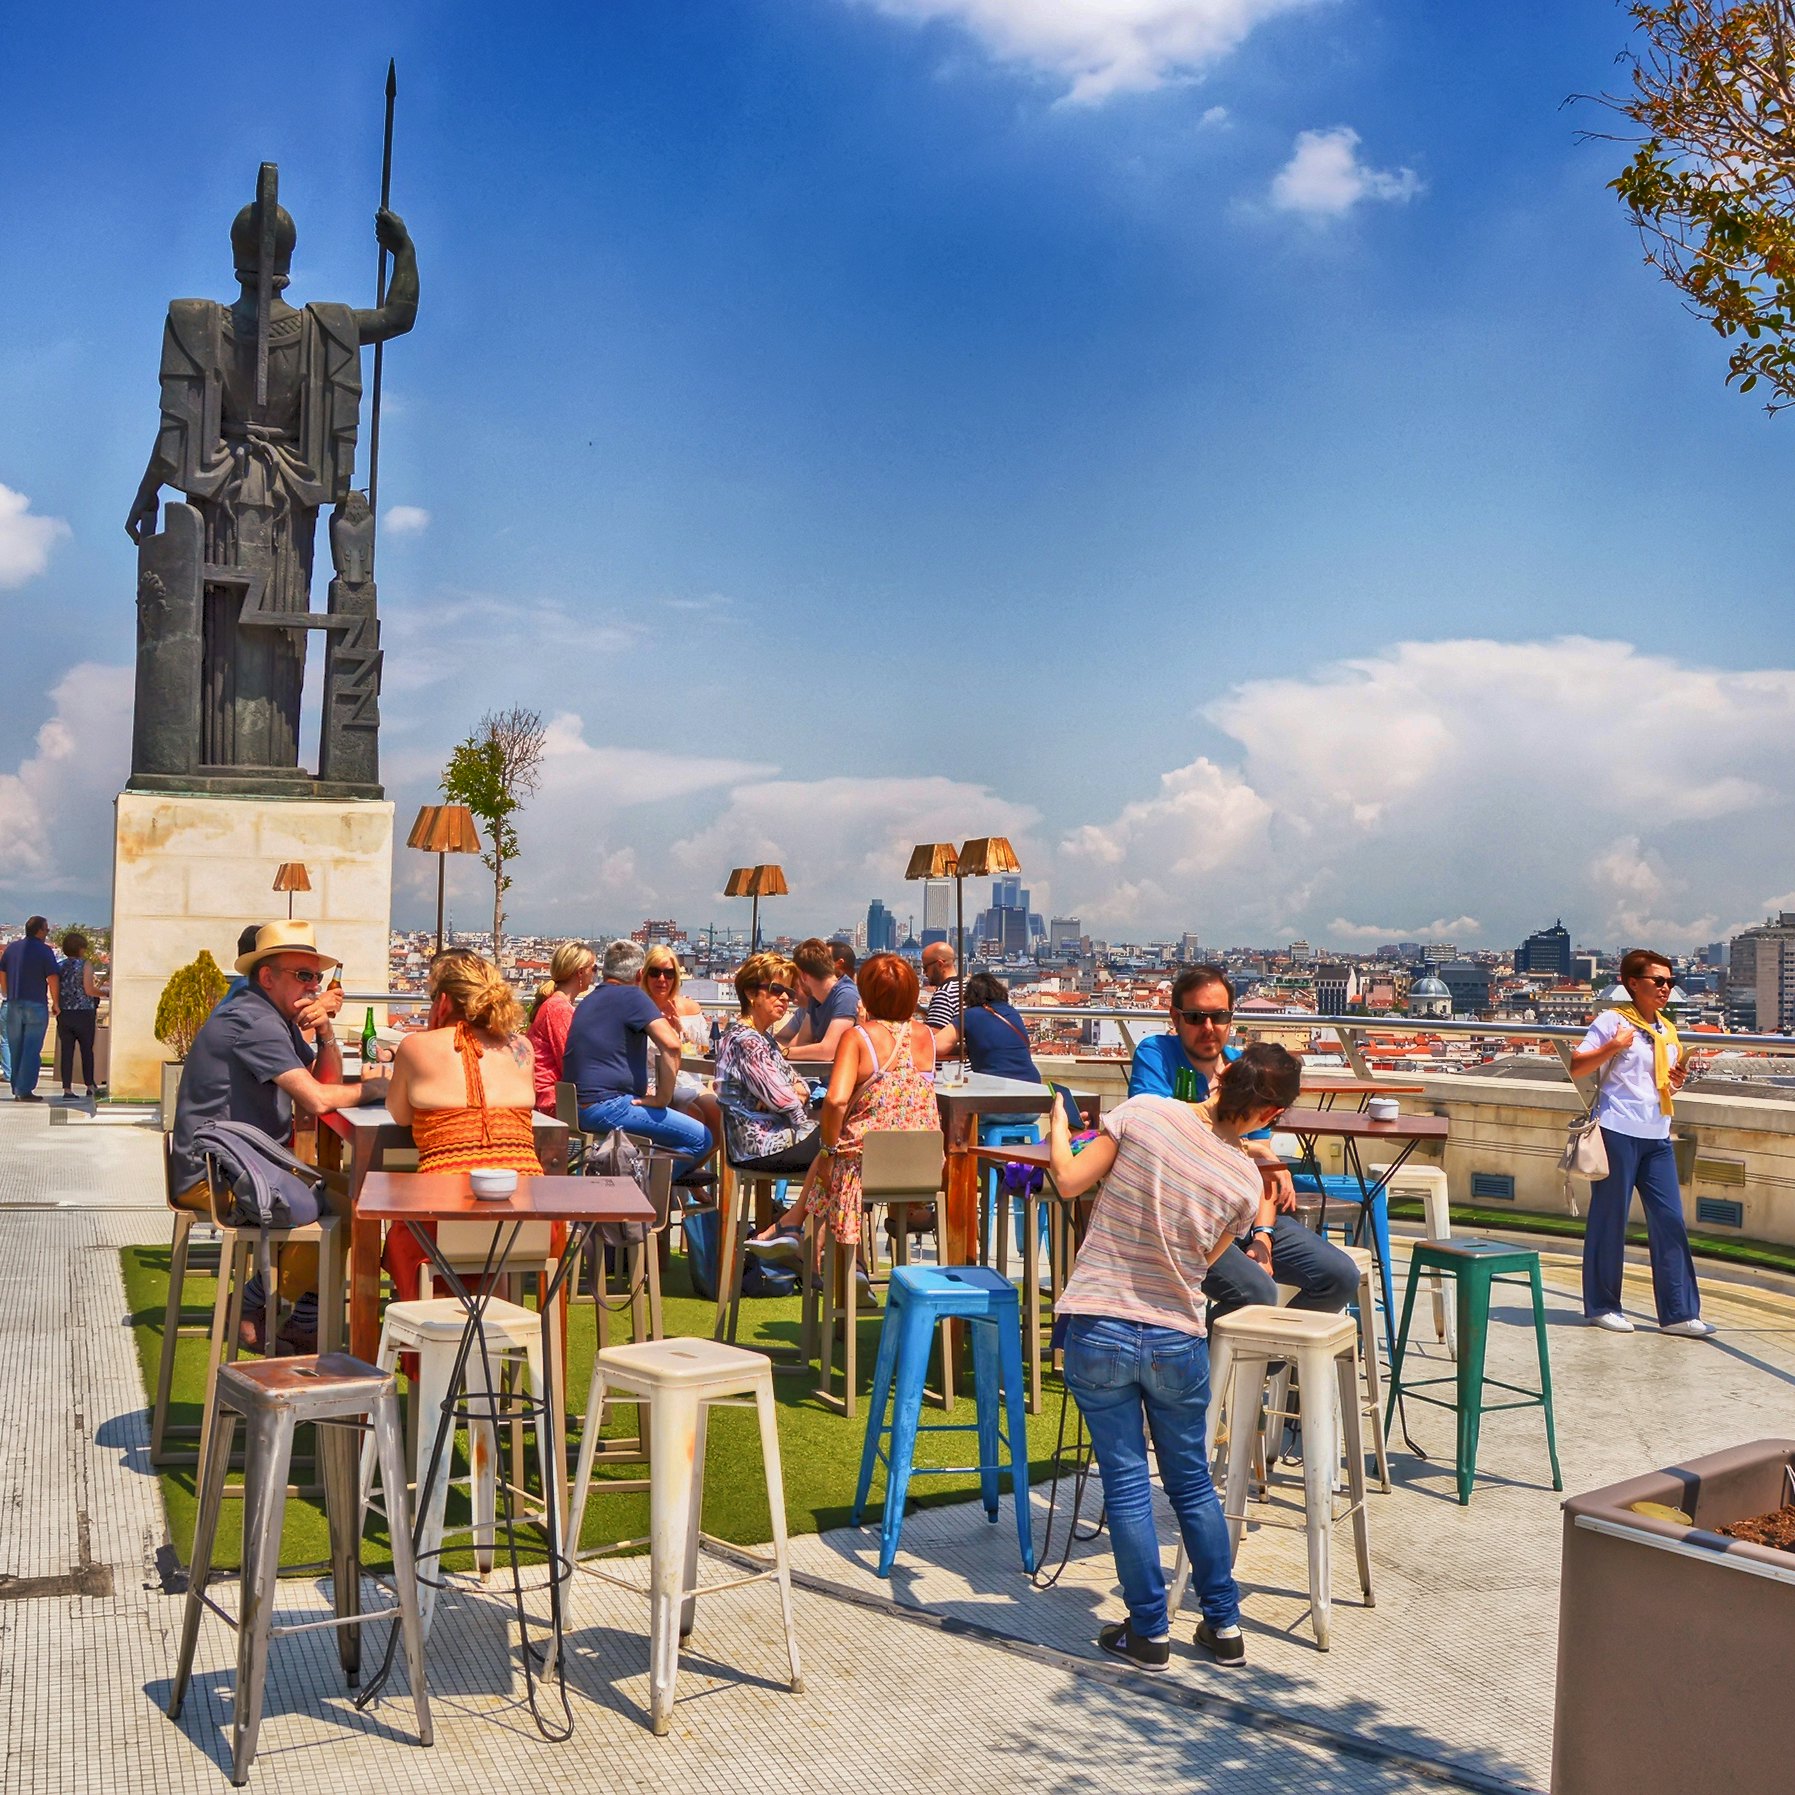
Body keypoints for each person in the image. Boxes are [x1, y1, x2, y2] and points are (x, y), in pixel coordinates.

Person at [1049, 1041, 1304, 1672]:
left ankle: (1149, 1630)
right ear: (1269, 1112)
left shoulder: (1145, 1112)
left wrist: (1057, 1126)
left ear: (1222, 1079)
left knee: (1128, 1482)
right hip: (1176, 1336)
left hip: (1102, 1321)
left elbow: (1069, 1181)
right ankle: (1223, 1624)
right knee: (1191, 1482)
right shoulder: (1248, 1183)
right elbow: (1211, 1258)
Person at [168, 921, 364, 1353]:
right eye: (303, 976)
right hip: (216, 1178)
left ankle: (292, 1314)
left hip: (250, 1166)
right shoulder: (255, 1020)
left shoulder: (272, 1014)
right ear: (268, 976)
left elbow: (321, 1076)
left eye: (316, 977)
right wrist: (379, 1088)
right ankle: (262, 1306)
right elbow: (315, 1098)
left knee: (356, 1200)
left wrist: (326, 1029)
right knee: (351, 1205)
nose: (313, 987)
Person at [1129, 966, 1355, 1321]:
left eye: (1218, 1016)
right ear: (1175, 1016)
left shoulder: (1244, 1066)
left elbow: (1262, 1172)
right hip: (1186, 1217)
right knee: (1256, 1291)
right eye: (1195, 1016)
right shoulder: (1155, 1054)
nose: (1208, 1027)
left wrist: (1263, 1238)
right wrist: (1255, 1149)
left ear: (1231, 1017)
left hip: (1246, 1216)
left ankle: (1262, 1369)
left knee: (1340, 1277)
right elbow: (1160, 1132)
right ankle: (1214, 1371)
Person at [1570, 948, 1714, 1337]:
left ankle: (1679, 1312)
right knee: (1609, 1219)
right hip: (1618, 1131)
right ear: (1633, 984)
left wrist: (1676, 1080)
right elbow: (1578, 1065)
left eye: (1670, 981)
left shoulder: (1667, 1030)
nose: (1666, 988)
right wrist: (1613, 1046)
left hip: (1657, 1135)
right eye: (1658, 981)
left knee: (1670, 1221)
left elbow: (1660, 1082)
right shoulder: (1613, 1021)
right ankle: (1602, 1305)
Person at [383, 949, 540, 1303]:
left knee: (404, 1237)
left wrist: (428, 1033)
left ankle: (424, 1345)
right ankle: (493, 1339)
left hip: (446, 1215)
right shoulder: (522, 1047)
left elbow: (400, 1115)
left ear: (441, 1001)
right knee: (493, 1250)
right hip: (525, 1217)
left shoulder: (415, 1047)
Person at [769, 953, 937, 1272]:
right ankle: (819, 1251)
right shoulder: (927, 1036)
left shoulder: (858, 1038)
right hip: (920, 1169)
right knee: (830, 1157)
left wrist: (829, 1153)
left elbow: (835, 1102)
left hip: (865, 1167)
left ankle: (824, 1256)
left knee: (828, 1158)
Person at [563, 938, 709, 1175]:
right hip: (609, 1106)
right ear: (640, 975)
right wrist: (662, 1098)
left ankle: (641, 1184)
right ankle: (638, 1188)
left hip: (579, 1107)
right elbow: (672, 1046)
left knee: (669, 1141)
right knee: (701, 1138)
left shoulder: (589, 1001)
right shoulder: (632, 996)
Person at [717, 953, 822, 1177]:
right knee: (846, 1145)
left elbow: (799, 1085)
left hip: (777, 1136)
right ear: (750, 993)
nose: (785, 998)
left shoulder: (765, 1038)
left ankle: (807, 1212)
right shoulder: (746, 1040)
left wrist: (790, 1093)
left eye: (789, 992)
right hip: (761, 1145)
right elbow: (786, 1101)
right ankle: (807, 1213)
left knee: (847, 1142)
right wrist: (789, 1097)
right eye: (776, 990)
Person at [639, 943, 723, 1149]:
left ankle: (689, 1172)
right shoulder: (637, 1007)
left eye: (668, 974)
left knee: (718, 1112)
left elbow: (704, 1050)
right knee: (695, 1116)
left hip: (688, 1079)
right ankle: (681, 1174)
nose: (662, 979)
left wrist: (682, 1033)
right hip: (651, 1082)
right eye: (655, 972)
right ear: (645, 975)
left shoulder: (689, 1008)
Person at [526, 941, 597, 1115]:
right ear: (580, 972)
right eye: (593, 968)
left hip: (554, 1096)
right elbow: (571, 1062)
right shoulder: (559, 1009)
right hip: (555, 1100)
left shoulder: (555, 1005)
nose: (595, 974)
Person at [0, 917, 61, 1102]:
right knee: (31, 1048)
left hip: (12, 1004)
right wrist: (56, 1002)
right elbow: (52, 978)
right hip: (35, 1004)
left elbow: (2, 973)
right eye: (47, 930)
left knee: (15, 1047)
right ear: (40, 931)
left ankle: (17, 1086)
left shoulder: (11, 949)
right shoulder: (44, 951)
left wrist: (7, 993)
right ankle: (24, 1089)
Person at [781, 937, 861, 1064]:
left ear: (803, 976)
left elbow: (828, 1051)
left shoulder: (846, 996)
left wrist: (785, 1052)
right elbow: (802, 1043)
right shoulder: (815, 999)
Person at [54, 931, 103, 1100]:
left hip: (65, 1012)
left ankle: (67, 1089)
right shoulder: (85, 965)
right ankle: (89, 1085)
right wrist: (104, 993)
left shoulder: (59, 966)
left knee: (66, 1051)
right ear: (81, 948)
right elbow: (89, 989)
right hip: (84, 1012)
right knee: (86, 1050)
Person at [920, 942, 962, 1055]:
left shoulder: (944, 993)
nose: (924, 973)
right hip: (964, 1066)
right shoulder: (966, 987)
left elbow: (932, 1038)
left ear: (939, 964)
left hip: (946, 1068)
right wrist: (921, 1011)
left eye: (925, 968)